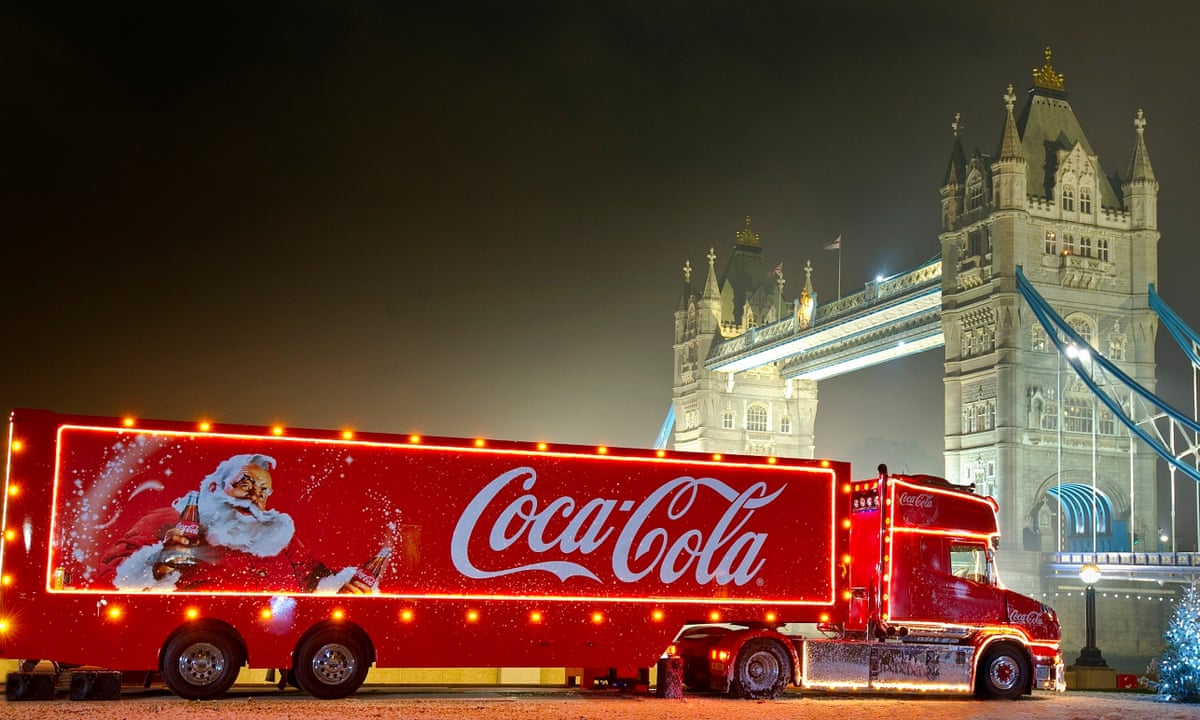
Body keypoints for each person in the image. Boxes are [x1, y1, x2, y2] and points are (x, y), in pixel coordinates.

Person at [99, 453, 334, 592]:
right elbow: (111, 577)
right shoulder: (169, 520)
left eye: (263, 492)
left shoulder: (275, 534)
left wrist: (341, 587)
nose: (254, 498)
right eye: (244, 485)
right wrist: (157, 563)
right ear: (214, 487)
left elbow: (312, 578)